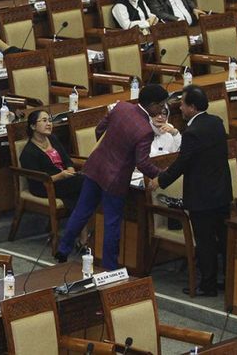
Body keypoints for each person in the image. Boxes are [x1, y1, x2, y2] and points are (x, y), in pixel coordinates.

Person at [55, 84, 168, 270]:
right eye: (162, 105)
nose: (163, 109)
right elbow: (142, 163)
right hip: (115, 178)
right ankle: (110, 267)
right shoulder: (145, 131)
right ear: (153, 105)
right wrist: (162, 175)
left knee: (82, 210)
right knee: (112, 222)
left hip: (95, 166)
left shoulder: (121, 106)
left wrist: (108, 148)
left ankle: (63, 249)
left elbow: (99, 130)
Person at [150, 85, 232, 297]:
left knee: (205, 242)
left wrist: (160, 180)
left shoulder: (192, 133)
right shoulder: (217, 123)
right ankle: (229, 281)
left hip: (202, 198)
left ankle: (208, 285)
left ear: (193, 107)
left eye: (183, 104)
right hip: (222, 194)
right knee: (223, 240)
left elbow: (182, 164)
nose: (181, 108)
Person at [20, 110, 89, 244]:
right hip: (45, 186)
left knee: (82, 189)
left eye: (50, 120)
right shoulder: (29, 152)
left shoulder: (52, 139)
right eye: (44, 121)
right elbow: (37, 180)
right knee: (87, 183)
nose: (49, 124)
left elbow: (67, 159)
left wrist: (69, 169)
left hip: (65, 180)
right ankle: (84, 235)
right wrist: (61, 175)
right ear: (33, 126)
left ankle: (83, 236)